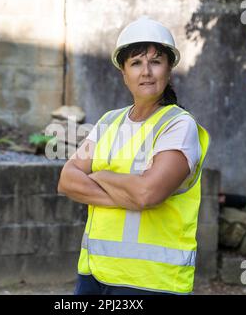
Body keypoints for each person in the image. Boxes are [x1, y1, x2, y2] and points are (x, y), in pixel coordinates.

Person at [57, 16, 211, 295]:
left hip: (152, 282)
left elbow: (147, 195)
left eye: (156, 61)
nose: (146, 72)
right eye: (136, 63)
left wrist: (100, 175)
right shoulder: (108, 122)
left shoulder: (177, 125)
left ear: (169, 68)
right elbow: (67, 180)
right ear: (124, 73)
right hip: (94, 274)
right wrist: (130, 192)